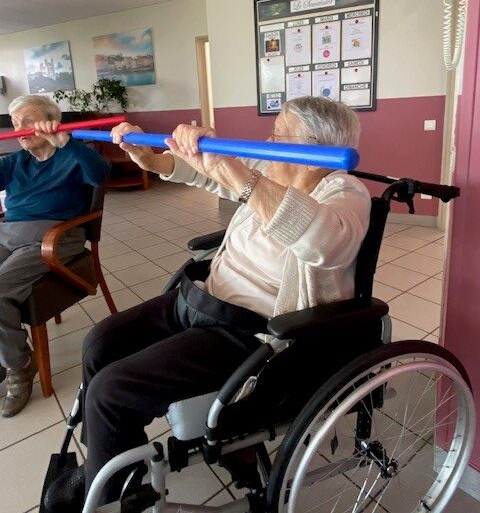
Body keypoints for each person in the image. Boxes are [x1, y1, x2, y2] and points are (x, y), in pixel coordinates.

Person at [45, 96, 371, 511]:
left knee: (112, 390)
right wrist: (154, 159)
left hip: (252, 329)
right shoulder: (274, 169)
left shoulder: (345, 190)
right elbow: (211, 177)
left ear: (310, 151)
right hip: (205, 298)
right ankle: (110, 464)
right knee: (100, 341)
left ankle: (110, 496)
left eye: (279, 135)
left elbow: (328, 243)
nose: (268, 141)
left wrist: (242, 178)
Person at [0, 95, 110, 417]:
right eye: (15, 123)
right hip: (10, 234)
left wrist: (65, 142)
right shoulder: (16, 161)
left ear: (51, 122)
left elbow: (100, 174)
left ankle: (20, 367)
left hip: (56, 237)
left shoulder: (73, 155)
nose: (20, 130)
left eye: (28, 121)